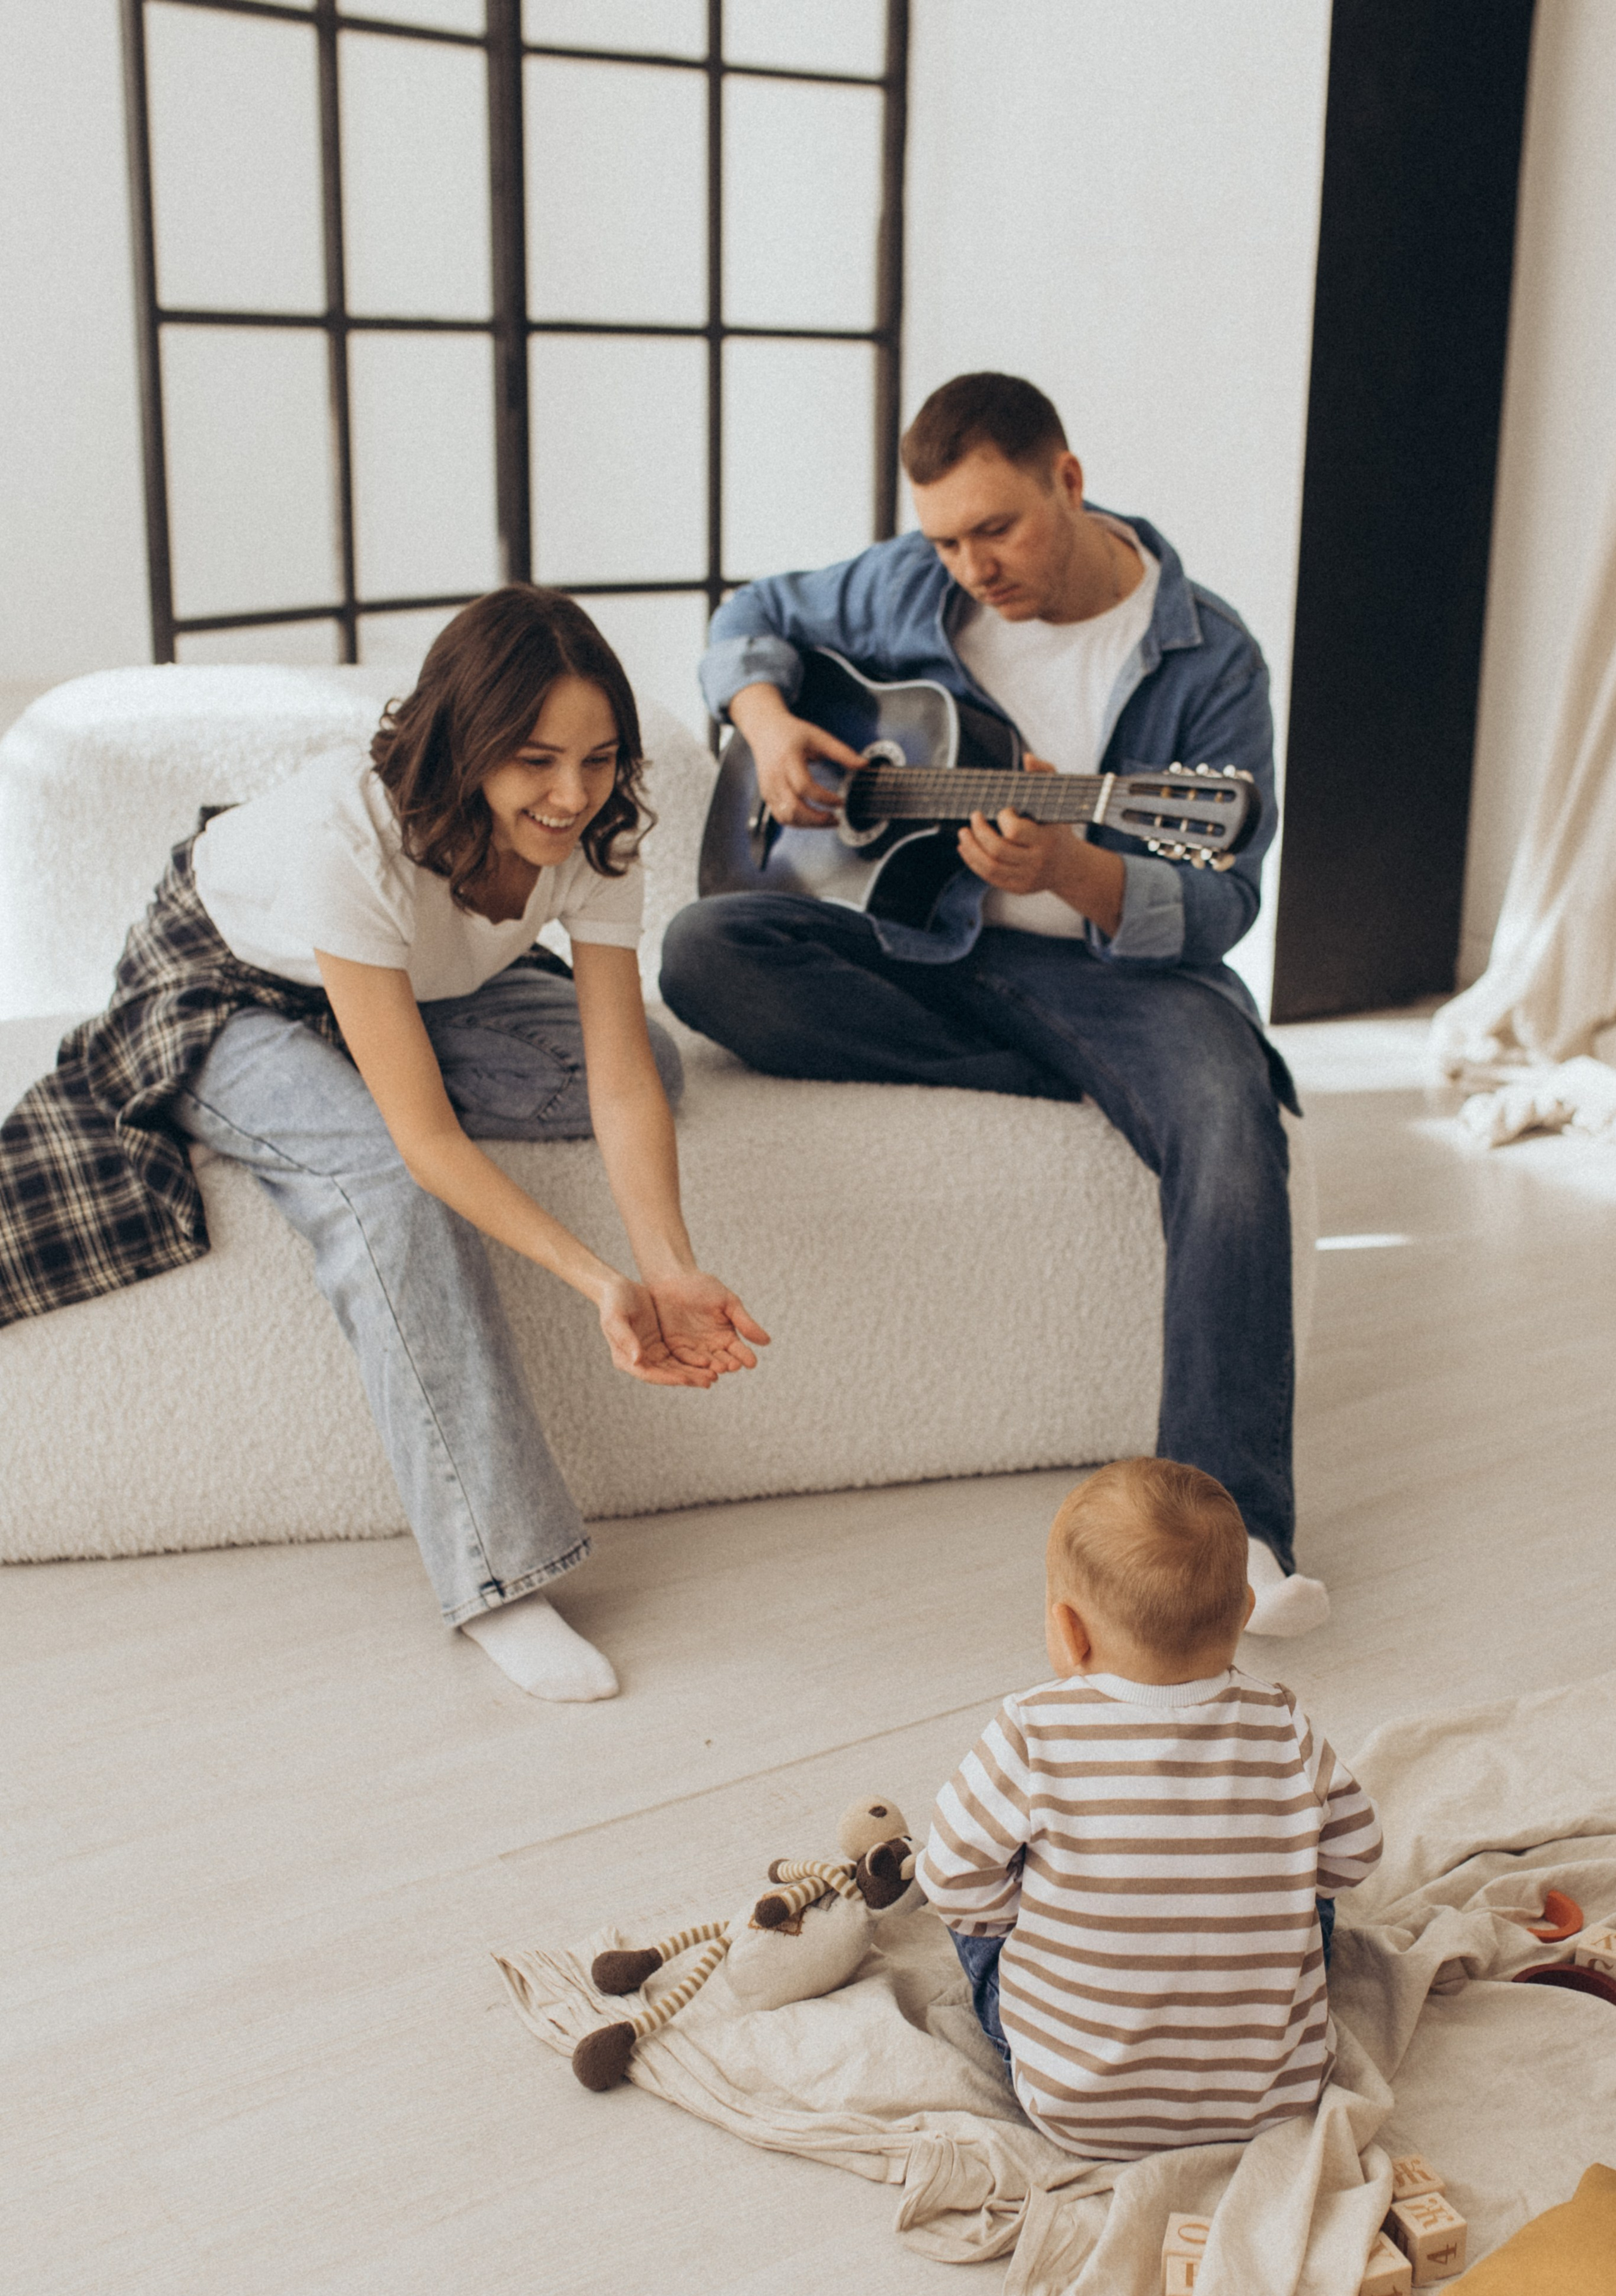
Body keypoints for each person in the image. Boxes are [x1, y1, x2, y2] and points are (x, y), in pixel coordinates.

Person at [0, 588, 766, 1701]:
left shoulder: (598, 826)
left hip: (403, 981)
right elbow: (424, 1147)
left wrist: (670, 1263)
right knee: (381, 1183)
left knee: (657, 1056)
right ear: (467, 745)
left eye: (599, 758)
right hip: (229, 985)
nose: (570, 794)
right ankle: (500, 1577)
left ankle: (358, 1050)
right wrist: (602, 1282)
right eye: (536, 760)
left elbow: (613, 1072)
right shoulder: (343, 841)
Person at [660, 371, 1323, 1633]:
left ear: (1066, 481)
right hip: (922, 949)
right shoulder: (911, 585)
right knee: (702, 950)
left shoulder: (1207, 654)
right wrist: (764, 716)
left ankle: (1233, 1540)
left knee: (1230, 1129)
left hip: (1109, 973)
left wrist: (1069, 866)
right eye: (945, 539)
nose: (970, 566)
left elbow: (1226, 897)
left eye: (996, 530)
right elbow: (751, 611)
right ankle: (1066, 1070)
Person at [916, 1460, 1382, 2160]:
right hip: (1277, 2097)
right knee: (1306, 1892)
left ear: (1069, 1631)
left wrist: (1031, 1920)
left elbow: (948, 1879)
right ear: (1245, 1614)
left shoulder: (1032, 1731)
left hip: (1076, 2109)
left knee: (977, 1919)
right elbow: (1355, 1855)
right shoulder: (1282, 1724)